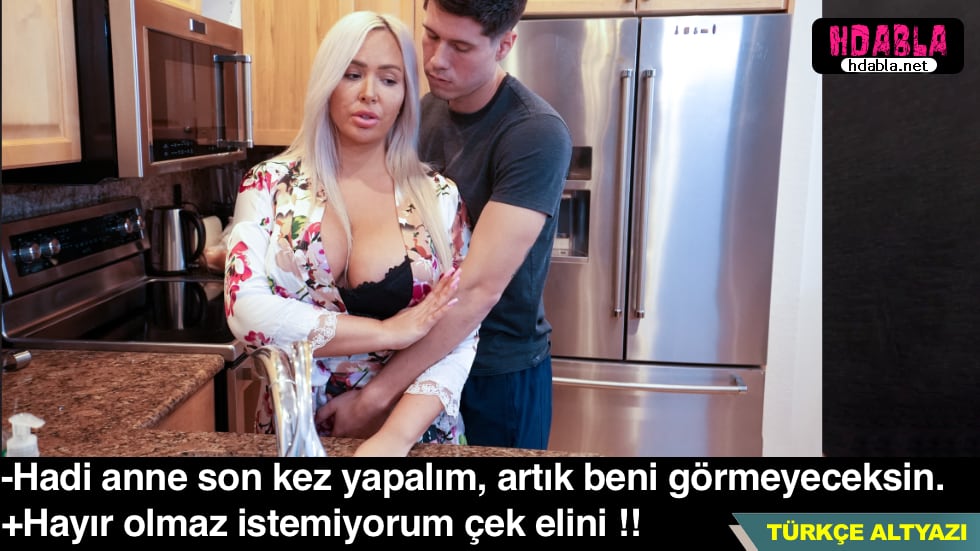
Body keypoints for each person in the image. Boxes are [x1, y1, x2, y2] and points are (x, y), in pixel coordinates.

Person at [318, 0, 573, 450]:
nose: (436, 60)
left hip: (494, 376)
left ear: (504, 45)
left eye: (460, 47)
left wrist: (375, 398)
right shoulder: (426, 110)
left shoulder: (534, 133)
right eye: (431, 35)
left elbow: (474, 292)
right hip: (413, 369)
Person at [223, 11, 477, 457]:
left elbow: (460, 331)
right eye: (352, 74)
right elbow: (245, 313)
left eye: (389, 79)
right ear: (327, 82)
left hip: (412, 437)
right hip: (295, 433)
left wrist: (394, 437)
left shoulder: (439, 198)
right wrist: (387, 332)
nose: (369, 94)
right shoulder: (268, 184)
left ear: (405, 96)